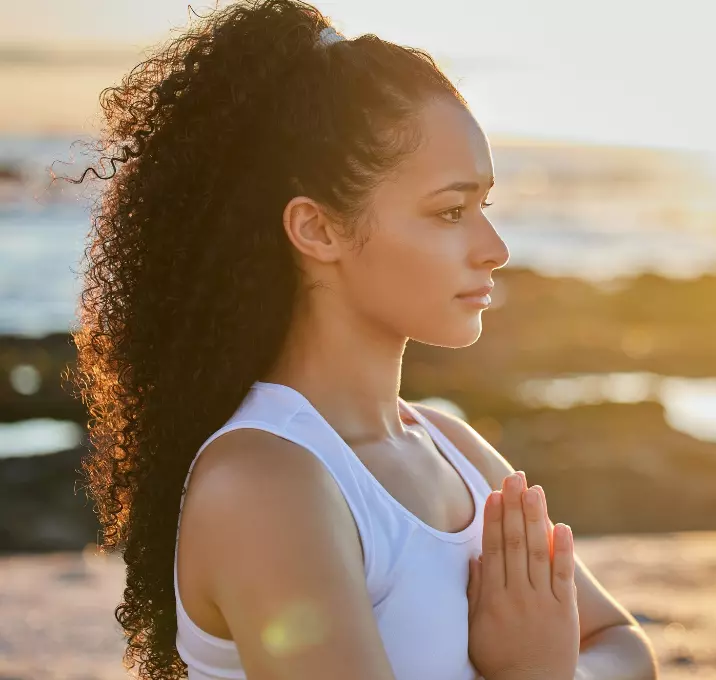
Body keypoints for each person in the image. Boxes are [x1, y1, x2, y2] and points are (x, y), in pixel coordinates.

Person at [68, 1, 658, 678]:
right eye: (450, 211)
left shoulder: (452, 448)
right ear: (317, 230)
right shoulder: (263, 486)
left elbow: (624, 647)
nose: (493, 249)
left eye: (483, 208)